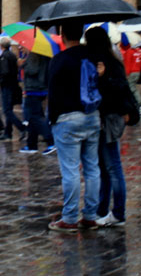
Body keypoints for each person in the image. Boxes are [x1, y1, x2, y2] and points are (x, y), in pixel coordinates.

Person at [47, 22, 101, 233]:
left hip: (67, 118)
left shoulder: (59, 60)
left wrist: (51, 120)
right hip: (92, 115)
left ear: (62, 35)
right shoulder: (92, 55)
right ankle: (90, 215)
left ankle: (69, 217)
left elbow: (51, 91)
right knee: (92, 168)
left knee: (70, 170)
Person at [85, 26, 133, 228]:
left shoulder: (111, 64)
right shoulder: (100, 62)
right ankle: (101, 210)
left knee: (113, 167)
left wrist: (103, 77)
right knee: (103, 168)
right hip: (102, 120)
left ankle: (119, 213)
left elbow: (118, 91)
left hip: (110, 120)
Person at [18, 49, 56, 155]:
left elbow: (32, 70)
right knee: (33, 117)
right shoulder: (40, 54)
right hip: (38, 88)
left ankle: (51, 141)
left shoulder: (34, 54)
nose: (21, 48)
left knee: (35, 117)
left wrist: (22, 63)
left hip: (34, 89)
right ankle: (32, 144)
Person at [0, 37, 26, 141]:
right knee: (9, 108)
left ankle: (21, 127)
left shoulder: (4, 56)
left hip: (7, 86)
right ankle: (7, 132)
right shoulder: (13, 55)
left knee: (7, 110)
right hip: (13, 84)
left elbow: (5, 72)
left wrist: (0, 78)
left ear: (1, 46)